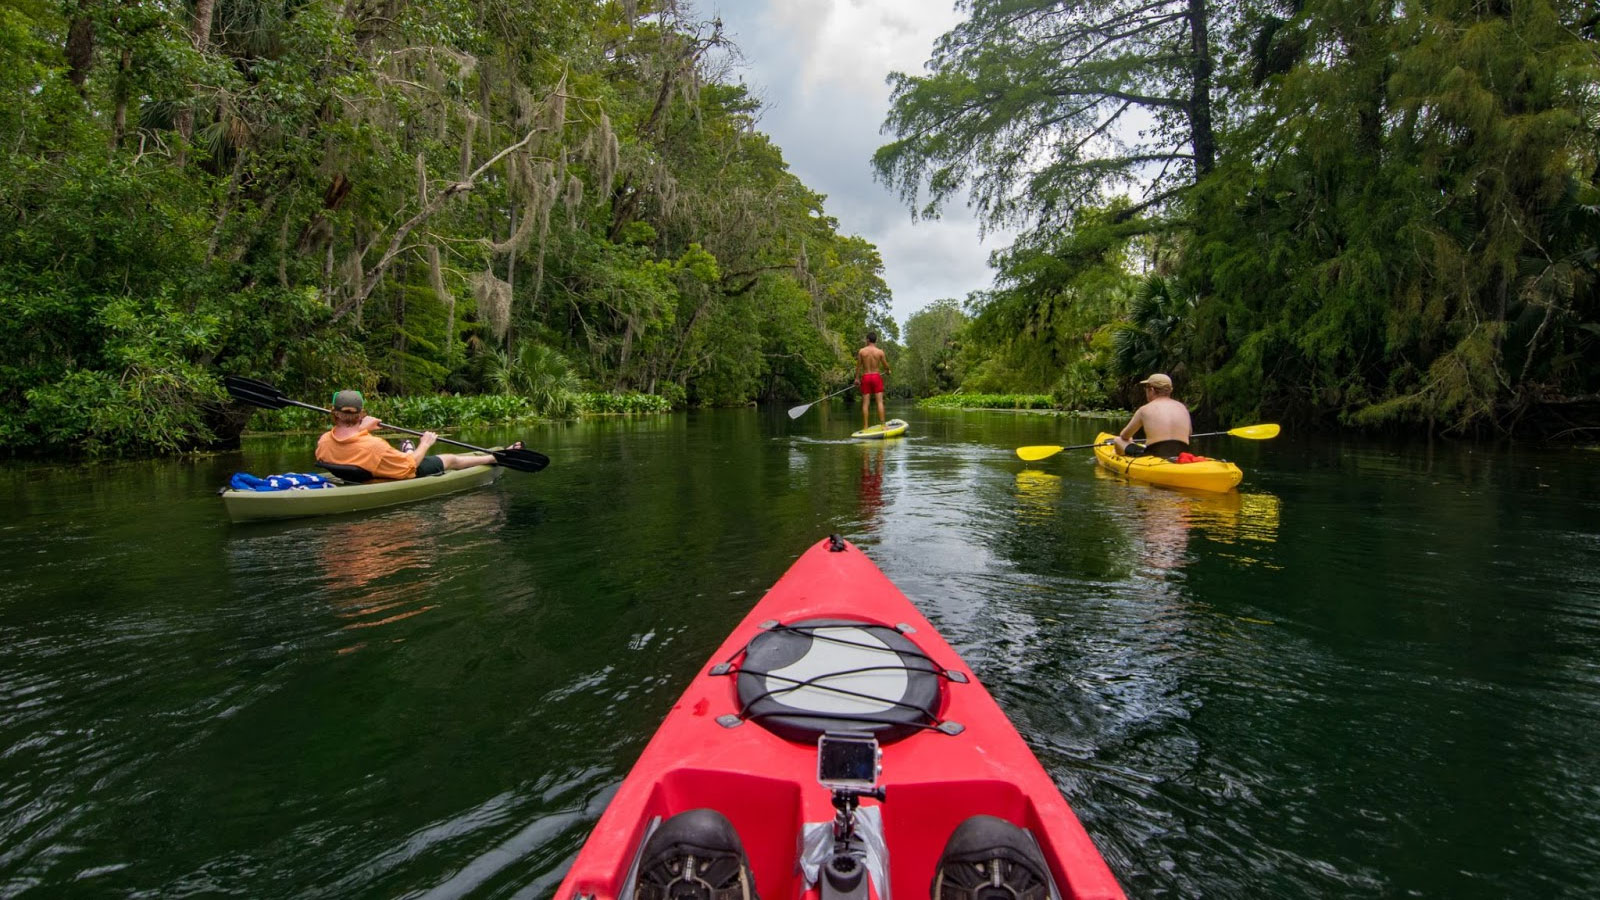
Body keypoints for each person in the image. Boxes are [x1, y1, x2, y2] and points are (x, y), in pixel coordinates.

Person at [315, 390, 511, 479]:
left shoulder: (323, 441)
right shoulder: (374, 446)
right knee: (450, 459)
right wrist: (425, 443)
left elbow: (348, 443)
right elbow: (409, 467)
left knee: (409, 454)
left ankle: (407, 447)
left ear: (334, 413)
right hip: (388, 474)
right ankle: (494, 457)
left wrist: (361, 429)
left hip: (361, 472)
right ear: (362, 414)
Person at [1114, 373, 1192, 458]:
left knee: (1119, 440)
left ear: (1151, 389)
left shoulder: (1144, 410)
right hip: (1181, 454)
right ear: (1170, 390)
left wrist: (1130, 440)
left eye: (1146, 388)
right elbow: (1189, 433)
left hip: (1154, 456)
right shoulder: (1182, 407)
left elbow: (1124, 435)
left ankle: (1119, 459)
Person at [856, 332, 891, 431]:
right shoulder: (880, 352)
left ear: (868, 340)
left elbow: (858, 366)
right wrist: (888, 371)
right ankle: (883, 425)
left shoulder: (862, 351)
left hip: (866, 377)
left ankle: (865, 426)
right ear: (876, 340)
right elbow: (885, 365)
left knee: (865, 403)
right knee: (879, 402)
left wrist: (857, 379)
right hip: (876, 376)